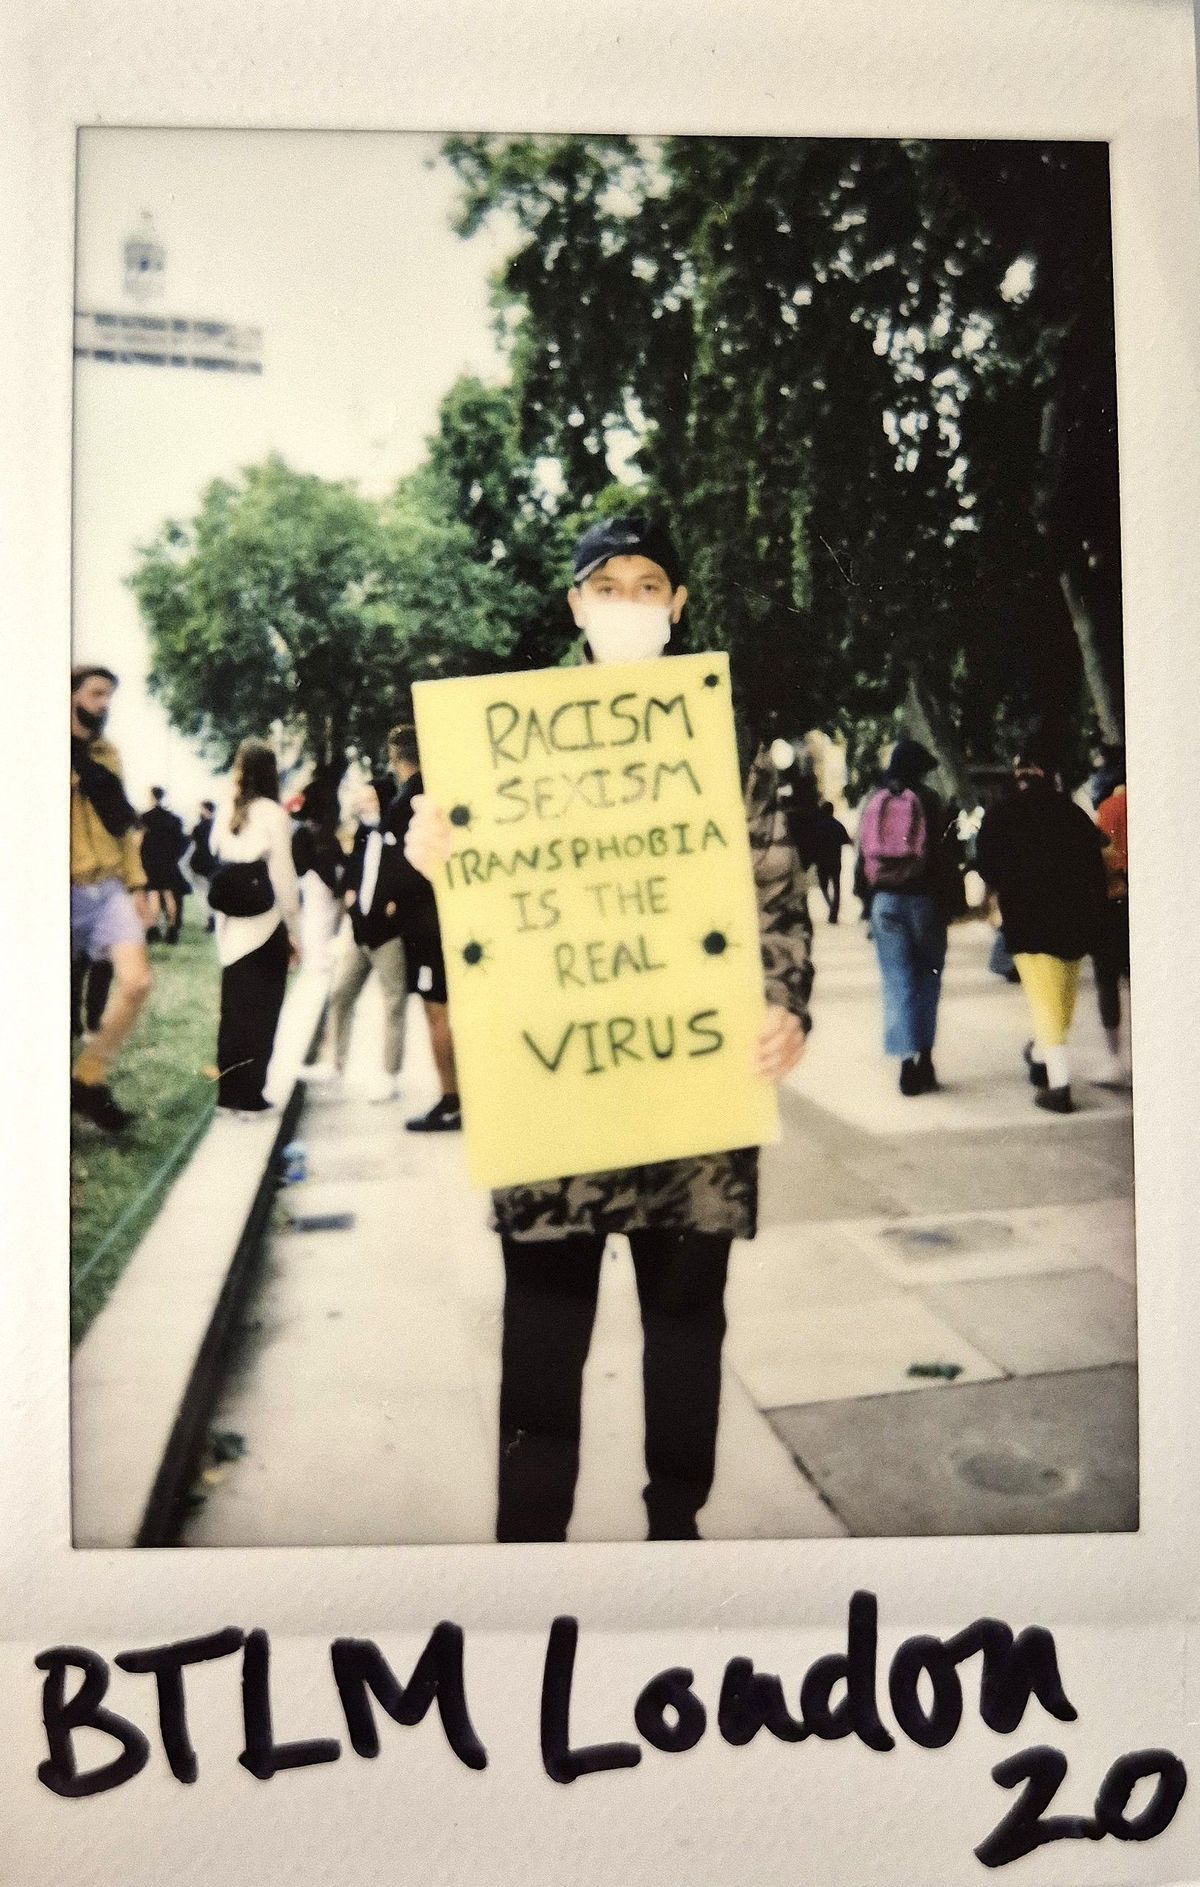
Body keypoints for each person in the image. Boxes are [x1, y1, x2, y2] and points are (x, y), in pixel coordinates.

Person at [405, 514, 812, 1542]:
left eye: (648, 585)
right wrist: (433, 851)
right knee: (541, 1336)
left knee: (686, 1327)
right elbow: (481, 888)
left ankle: (675, 1524)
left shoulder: (721, 733)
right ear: (575, 604)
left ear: (676, 604)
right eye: (606, 585)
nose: (628, 603)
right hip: (555, 1099)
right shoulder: (503, 733)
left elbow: (772, 881)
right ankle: (530, 1542)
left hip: (690, 1093)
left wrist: (787, 1004)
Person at [974, 731, 1108, 1115]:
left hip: (1027, 921)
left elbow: (986, 863)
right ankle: (1042, 1054)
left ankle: (1059, 1084)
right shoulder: (1072, 813)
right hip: (1072, 924)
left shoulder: (1003, 812)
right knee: (1060, 998)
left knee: (1044, 1000)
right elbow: (1094, 869)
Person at [70, 665, 153, 1133]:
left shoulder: (107, 754)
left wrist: (138, 885)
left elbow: (124, 826)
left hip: (107, 888)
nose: (104, 704)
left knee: (137, 982)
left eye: (108, 696)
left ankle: (88, 1076)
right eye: (97, 694)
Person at [857, 737, 954, 1095]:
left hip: (886, 902)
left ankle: (905, 1065)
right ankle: (926, 1058)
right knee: (928, 979)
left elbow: (861, 856)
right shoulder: (929, 800)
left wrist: (868, 904)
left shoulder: (874, 801)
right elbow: (944, 858)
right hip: (925, 902)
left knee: (897, 981)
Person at [210, 739, 301, 1116]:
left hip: (231, 927)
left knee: (233, 1015)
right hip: (265, 925)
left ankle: (227, 1095)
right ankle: (252, 1095)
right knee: (262, 1015)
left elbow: (216, 853)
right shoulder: (272, 813)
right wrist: (294, 928)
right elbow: (283, 876)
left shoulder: (226, 809)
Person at [305, 779, 409, 1102]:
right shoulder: (363, 834)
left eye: (370, 798)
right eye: (361, 800)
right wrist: (349, 892)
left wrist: (396, 903)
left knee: (393, 1002)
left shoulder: (399, 833)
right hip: (359, 929)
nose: (365, 805)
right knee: (340, 993)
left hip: (388, 933)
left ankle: (389, 1074)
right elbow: (354, 870)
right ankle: (335, 1066)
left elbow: (409, 873)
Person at [385, 724, 462, 1134]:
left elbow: (400, 873)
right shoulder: (446, 789)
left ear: (397, 758)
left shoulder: (403, 804)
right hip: (452, 918)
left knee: (436, 1012)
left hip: (424, 924)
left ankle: (451, 1100)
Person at [1091, 756, 1130, 1088]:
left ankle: (1114, 1059)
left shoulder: (1109, 808)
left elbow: (1105, 857)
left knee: (1108, 981)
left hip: (1116, 901)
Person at [292, 786, 345, 973]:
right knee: (320, 925)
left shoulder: (305, 830)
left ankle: (320, 962)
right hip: (319, 881)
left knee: (319, 925)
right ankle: (319, 963)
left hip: (318, 881)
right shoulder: (312, 831)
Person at [140, 787, 188, 943]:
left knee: (153, 895)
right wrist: (174, 857)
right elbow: (182, 842)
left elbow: (139, 842)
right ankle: (172, 930)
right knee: (169, 895)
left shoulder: (144, 818)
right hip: (169, 862)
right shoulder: (174, 819)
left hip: (151, 862)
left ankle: (153, 931)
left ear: (152, 797)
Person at [813, 800, 852, 923]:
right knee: (836, 887)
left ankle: (830, 906)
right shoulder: (838, 825)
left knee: (823, 886)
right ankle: (834, 912)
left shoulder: (817, 826)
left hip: (821, 861)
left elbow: (811, 843)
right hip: (835, 861)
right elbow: (847, 841)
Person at [187, 799, 218, 933]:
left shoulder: (198, 828)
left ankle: (210, 919)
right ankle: (216, 919)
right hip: (214, 864)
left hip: (199, 864)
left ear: (205, 810)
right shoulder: (217, 827)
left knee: (203, 894)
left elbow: (190, 841)